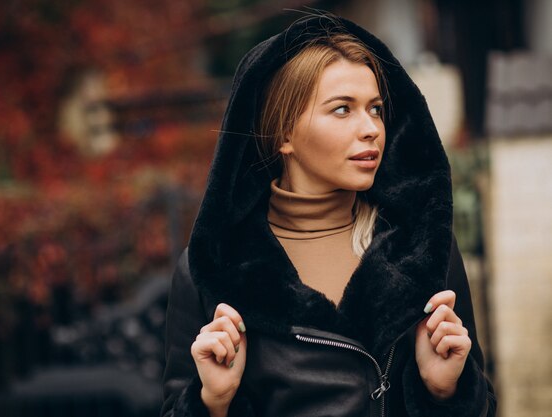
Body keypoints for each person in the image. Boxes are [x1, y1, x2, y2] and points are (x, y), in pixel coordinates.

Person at [161, 13, 496, 417]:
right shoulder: (214, 269)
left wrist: (445, 391)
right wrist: (211, 403)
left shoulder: (422, 248)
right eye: (342, 110)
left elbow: (483, 408)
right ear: (284, 134)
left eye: (375, 109)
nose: (371, 127)